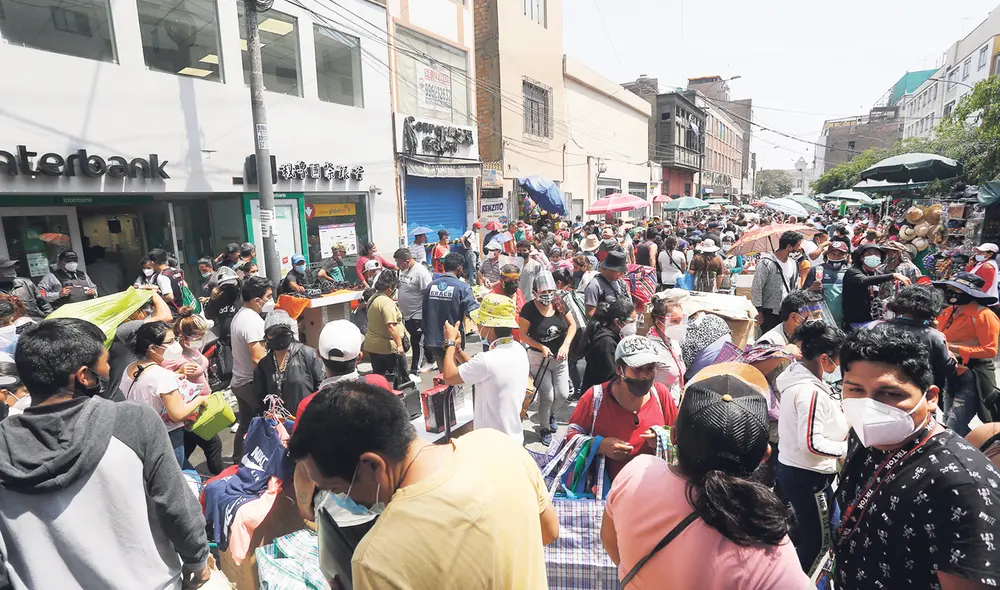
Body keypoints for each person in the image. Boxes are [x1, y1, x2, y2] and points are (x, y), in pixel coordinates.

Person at [0, 318, 211, 589]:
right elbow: (176, 506)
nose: (111, 367)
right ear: (85, 376)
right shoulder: (132, 422)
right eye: (106, 361)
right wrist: (198, 560)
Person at [288, 380, 558, 588]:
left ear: (372, 465)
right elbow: (549, 531)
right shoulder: (497, 445)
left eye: (337, 490)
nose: (342, 500)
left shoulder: (375, 559)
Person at [602, 362, 808, 589]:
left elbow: (611, 542)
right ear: (764, 455)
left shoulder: (635, 474)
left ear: (674, 437)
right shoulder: (769, 546)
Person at [834, 324, 1000, 589]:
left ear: (931, 397)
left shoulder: (963, 487)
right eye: (855, 390)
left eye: (889, 393)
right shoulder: (867, 439)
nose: (869, 408)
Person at [774, 320, 848, 574]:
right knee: (819, 541)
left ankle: (785, 572)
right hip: (808, 475)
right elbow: (812, 443)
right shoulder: (809, 392)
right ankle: (800, 579)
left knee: (815, 529)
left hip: (801, 471)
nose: (840, 367)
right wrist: (844, 450)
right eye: (838, 360)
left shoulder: (800, 379)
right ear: (824, 359)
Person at [568, 335, 679, 481]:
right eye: (637, 369)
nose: (645, 376)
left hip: (650, 487)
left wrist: (663, 438)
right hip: (604, 491)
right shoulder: (595, 397)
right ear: (620, 370)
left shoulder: (661, 394)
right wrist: (599, 445)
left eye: (650, 368)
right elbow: (570, 437)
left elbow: (680, 435)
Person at [440, 294, 529, 443]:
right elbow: (481, 371)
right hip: (513, 438)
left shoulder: (487, 361)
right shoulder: (518, 349)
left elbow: (449, 377)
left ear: (489, 327)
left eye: (479, 322)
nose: (477, 326)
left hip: (492, 444)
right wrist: (458, 351)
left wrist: (449, 343)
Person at [121, 321, 210, 466]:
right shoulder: (162, 376)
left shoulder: (129, 370)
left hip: (144, 435)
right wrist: (200, 400)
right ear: (152, 349)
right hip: (168, 436)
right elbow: (177, 414)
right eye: (170, 342)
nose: (175, 345)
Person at [160, 308, 224, 475]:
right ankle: (220, 479)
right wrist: (178, 374)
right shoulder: (172, 357)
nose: (201, 339)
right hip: (190, 411)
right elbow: (161, 379)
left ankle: (182, 475)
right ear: (182, 336)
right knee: (213, 444)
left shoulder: (193, 350)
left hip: (202, 405)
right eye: (197, 336)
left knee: (188, 446)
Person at [935, 272, 1000, 435]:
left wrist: (954, 348)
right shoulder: (947, 312)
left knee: (954, 425)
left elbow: (990, 350)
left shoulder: (983, 315)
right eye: (948, 288)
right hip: (950, 372)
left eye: (954, 289)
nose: (949, 292)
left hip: (973, 375)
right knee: (947, 421)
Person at [518, 270, 577, 446]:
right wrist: (541, 346)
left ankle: (550, 414)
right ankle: (544, 428)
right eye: (544, 292)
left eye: (550, 291)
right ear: (536, 292)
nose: (548, 296)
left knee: (562, 393)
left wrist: (566, 344)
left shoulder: (559, 303)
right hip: (539, 359)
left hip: (559, 358)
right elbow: (523, 335)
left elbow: (572, 325)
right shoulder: (528, 309)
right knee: (548, 395)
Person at [230, 275, 273, 462]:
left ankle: (239, 459)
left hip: (239, 380)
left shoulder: (241, 315)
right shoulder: (253, 322)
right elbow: (258, 358)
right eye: (269, 297)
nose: (271, 301)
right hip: (250, 382)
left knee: (246, 423)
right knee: (264, 424)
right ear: (257, 300)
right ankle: (258, 462)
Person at [885, 285, 955, 395]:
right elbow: (947, 367)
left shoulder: (878, 327)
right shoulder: (933, 336)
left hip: (884, 388)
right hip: (921, 393)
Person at [254, 309, 325, 416]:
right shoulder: (263, 366)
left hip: (306, 420)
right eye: (273, 333)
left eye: (283, 332)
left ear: (290, 333)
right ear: (266, 338)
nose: (278, 336)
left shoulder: (308, 354)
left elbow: (322, 388)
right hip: (278, 424)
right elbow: (260, 400)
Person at [421, 253, 478, 368]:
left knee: (443, 374)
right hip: (452, 339)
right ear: (459, 268)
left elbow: (424, 311)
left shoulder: (431, 286)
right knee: (455, 374)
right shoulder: (463, 287)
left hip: (433, 338)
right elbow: (473, 312)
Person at [842, 243, 911, 330]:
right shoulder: (853, 272)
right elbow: (864, 280)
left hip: (874, 321)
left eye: (876, 254)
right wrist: (893, 275)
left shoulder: (878, 273)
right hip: (855, 323)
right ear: (861, 257)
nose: (873, 256)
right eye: (869, 254)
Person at [581, 298, 637, 395]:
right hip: (600, 396)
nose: (634, 325)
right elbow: (610, 376)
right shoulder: (606, 342)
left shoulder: (615, 336)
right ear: (617, 322)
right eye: (631, 321)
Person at [751, 231, 804, 333]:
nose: (799, 248)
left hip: (787, 311)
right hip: (769, 312)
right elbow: (757, 288)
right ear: (789, 246)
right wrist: (759, 312)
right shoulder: (766, 263)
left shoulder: (793, 263)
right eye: (798, 245)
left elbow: (794, 286)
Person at [394, 248, 433, 378]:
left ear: (408, 260)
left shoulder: (421, 272)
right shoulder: (403, 271)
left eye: (399, 263)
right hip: (407, 314)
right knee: (420, 339)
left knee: (417, 342)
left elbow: (429, 293)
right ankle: (431, 359)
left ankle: (414, 371)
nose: (398, 266)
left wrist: (427, 314)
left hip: (418, 313)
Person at [363, 270, 406, 382]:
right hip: (387, 348)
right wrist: (399, 345)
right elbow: (391, 326)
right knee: (401, 378)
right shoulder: (386, 302)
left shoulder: (373, 298)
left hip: (373, 346)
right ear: (390, 288)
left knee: (378, 379)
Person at [645, 295, 687, 405]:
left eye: (681, 320)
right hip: (658, 405)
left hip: (674, 402)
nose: (680, 325)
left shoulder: (673, 341)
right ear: (659, 323)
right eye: (675, 321)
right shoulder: (650, 349)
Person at [756, 289, 823, 348]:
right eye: (815, 315)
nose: (820, 319)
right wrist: (785, 354)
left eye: (820, 315)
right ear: (794, 317)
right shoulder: (770, 343)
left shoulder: (812, 338)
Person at [584, 250, 631, 318]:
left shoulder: (620, 283)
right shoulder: (594, 286)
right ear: (608, 269)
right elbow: (590, 313)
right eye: (618, 271)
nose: (621, 274)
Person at [816, 239, 851, 328]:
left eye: (840, 254)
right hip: (823, 324)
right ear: (827, 255)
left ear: (847, 255)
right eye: (833, 254)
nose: (836, 257)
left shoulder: (851, 272)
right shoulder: (817, 270)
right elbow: (804, 295)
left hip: (845, 323)